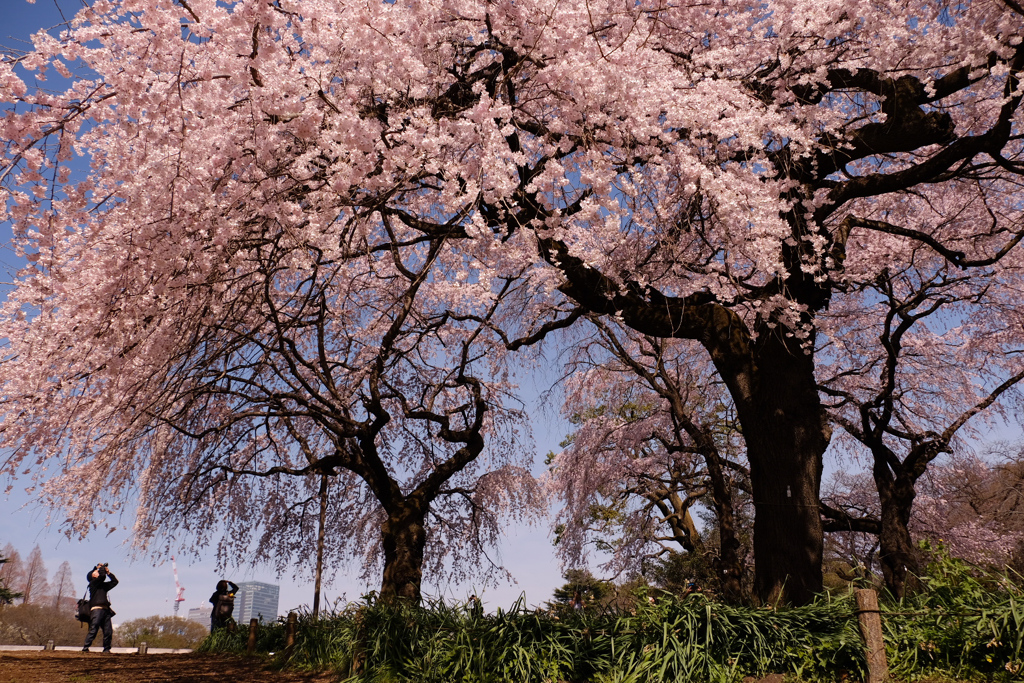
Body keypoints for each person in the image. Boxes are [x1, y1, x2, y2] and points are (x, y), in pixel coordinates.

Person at [82, 563, 118, 653]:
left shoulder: (103, 586)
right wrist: (101, 568)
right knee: (94, 629)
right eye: (95, 572)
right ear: (92, 576)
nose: (97, 572)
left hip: (106, 610)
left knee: (108, 631)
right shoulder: (93, 584)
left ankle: (106, 649)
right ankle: (85, 648)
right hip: (96, 610)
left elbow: (115, 582)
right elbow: (102, 577)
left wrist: (109, 573)